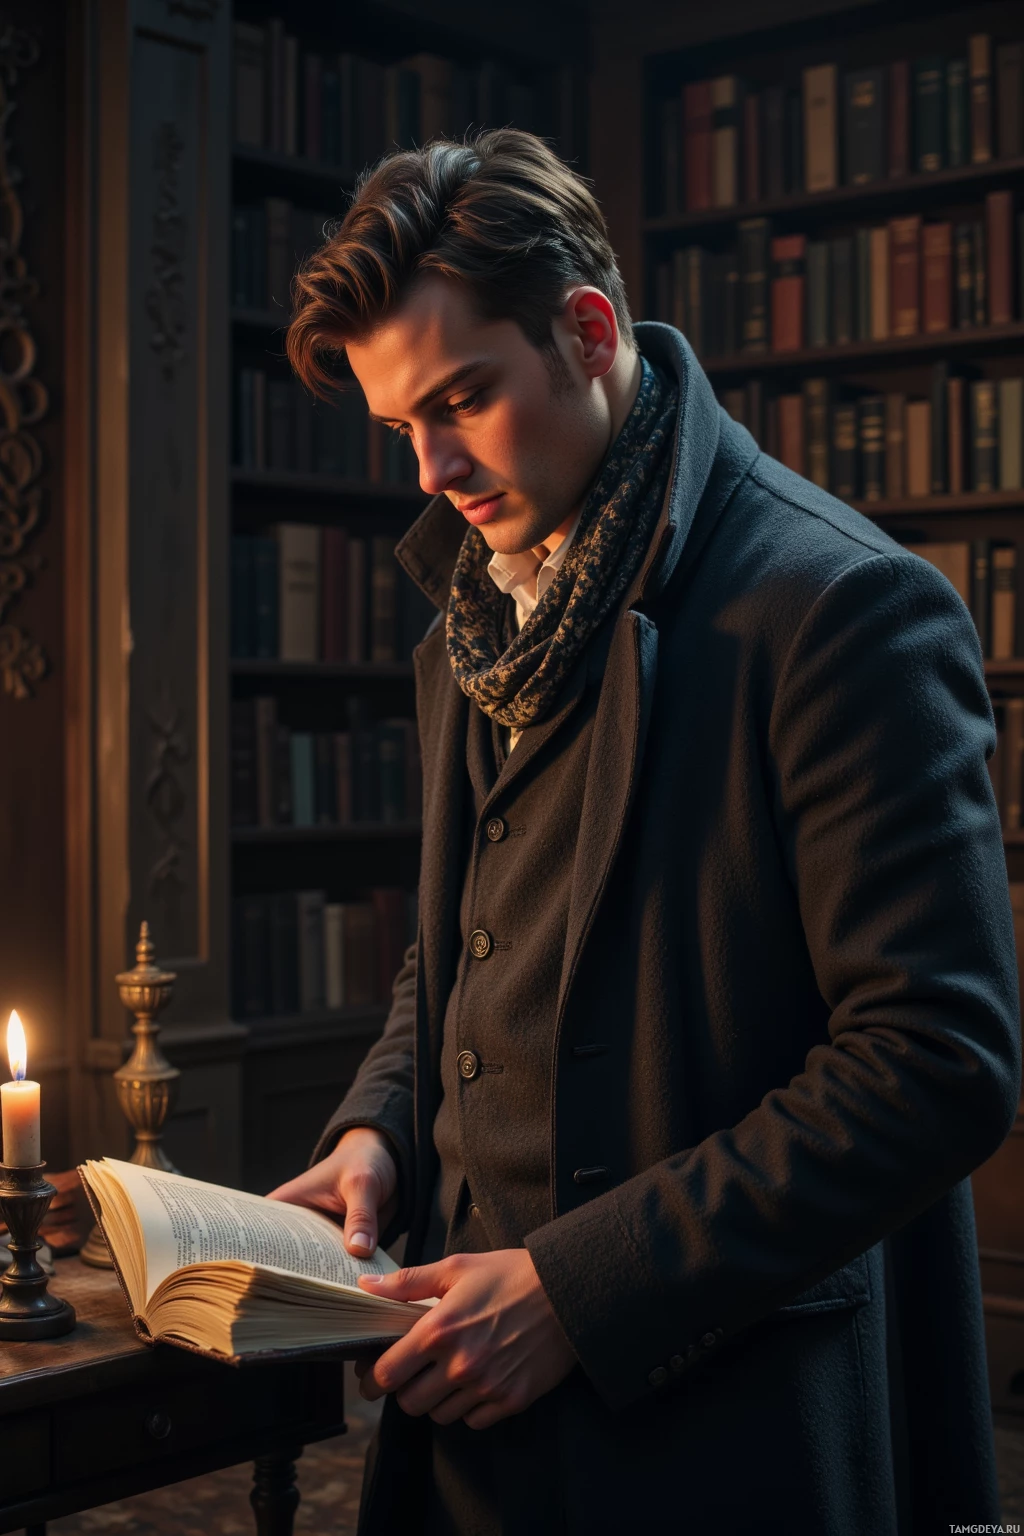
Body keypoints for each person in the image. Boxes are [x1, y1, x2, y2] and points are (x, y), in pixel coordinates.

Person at [267, 129, 1021, 1535]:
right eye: (399, 431)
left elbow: (940, 1064)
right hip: (473, 1430)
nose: (429, 471)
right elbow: (465, 947)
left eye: (464, 400)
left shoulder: (845, 608)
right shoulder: (472, 620)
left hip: (725, 1431)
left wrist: (578, 1290)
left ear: (590, 330)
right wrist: (381, 1130)